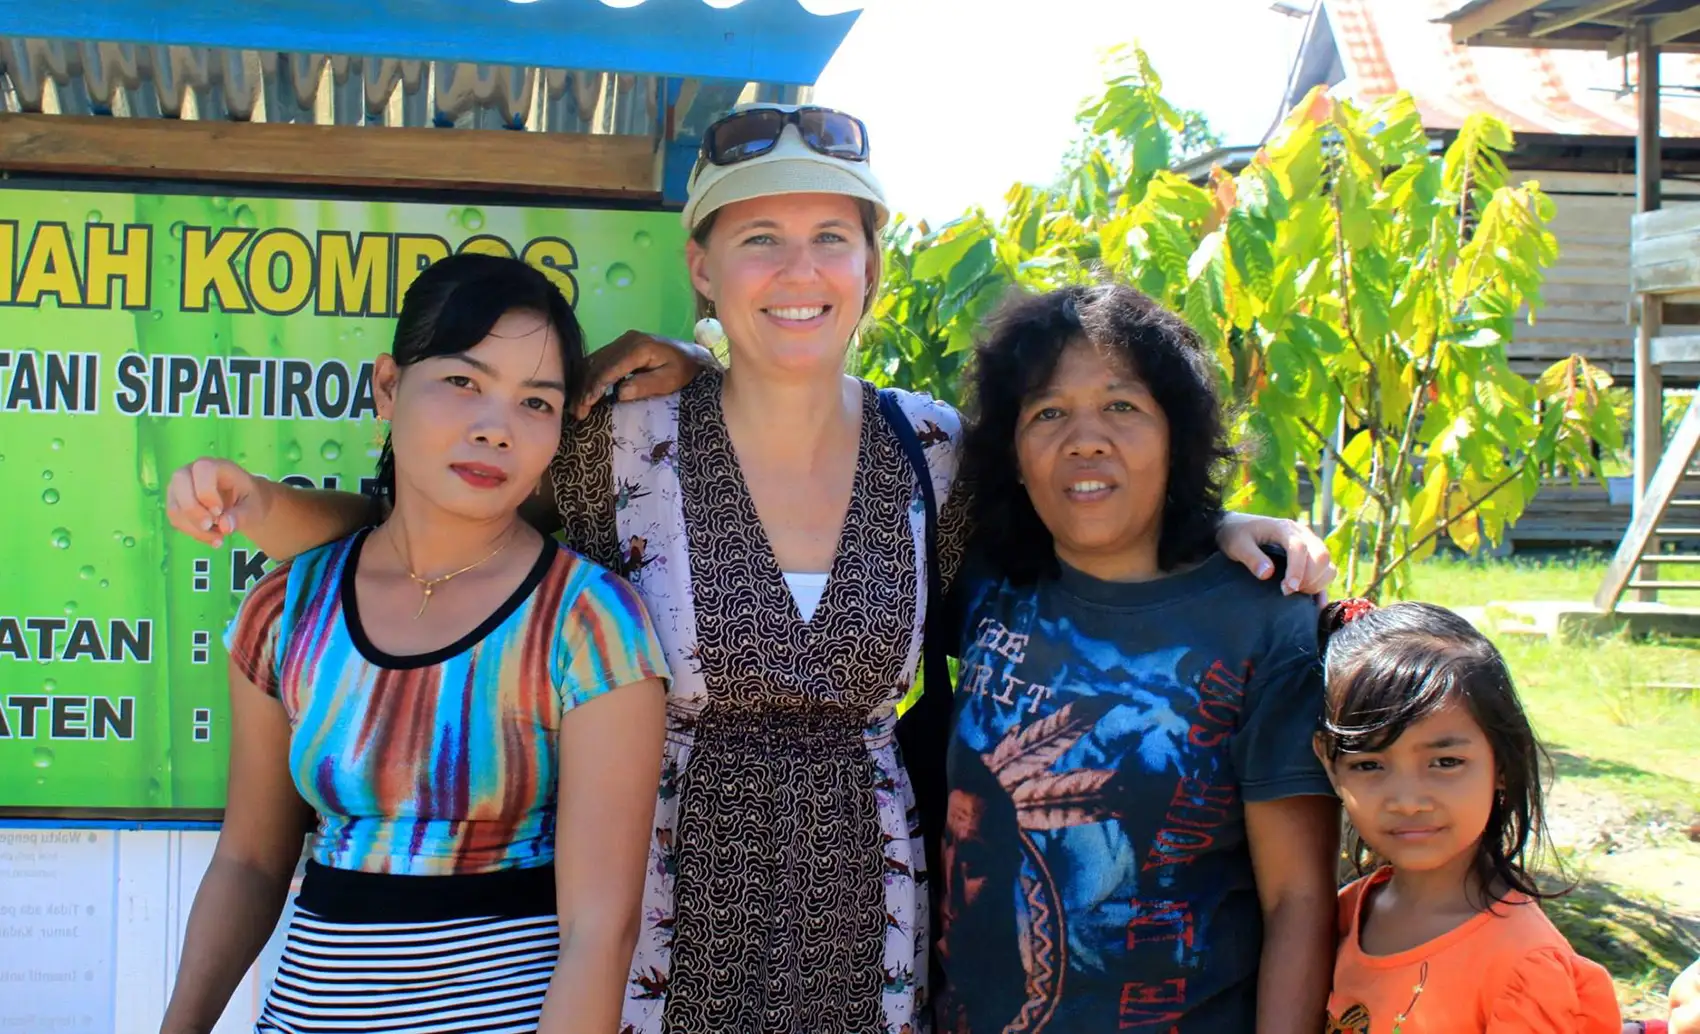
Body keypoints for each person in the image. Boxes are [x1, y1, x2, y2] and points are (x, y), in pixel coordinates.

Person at [163, 104, 1335, 1034]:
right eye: (759, 238)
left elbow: (1079, 525)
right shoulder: (611, 436)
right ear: (703, 269)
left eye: (832, 236)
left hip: (871, 928)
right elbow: (427, 531)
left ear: (872, 266)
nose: (798, 270)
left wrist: (1223, 528)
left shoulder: (928, 449)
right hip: (647, 926)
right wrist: (261, 508)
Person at [158, 254, 668, 1034]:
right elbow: (249, 862)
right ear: (388, 388)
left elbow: (601, 935)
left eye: (535, 402)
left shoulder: (590, 622)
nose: (495, 427)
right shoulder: (285, 610)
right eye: (463, 383)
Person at [931, 283, 1340, 1033]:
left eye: (1122, 406)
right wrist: (698, 366)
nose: (1085, 439)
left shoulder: (1262, 623)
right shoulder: (987, 577)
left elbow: (1299, 902)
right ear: (1014, 454)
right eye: (1047, 413)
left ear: (1177, 437)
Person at [1315, 599, 1621, 1034]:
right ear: (1329, 764)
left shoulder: (1521, 965)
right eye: (1369, 765)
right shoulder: (1344, 916)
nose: (1407, 800)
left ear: (1503, 764)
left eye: (1445, 762)